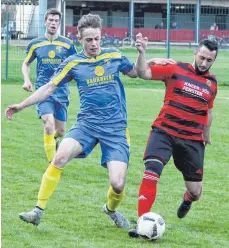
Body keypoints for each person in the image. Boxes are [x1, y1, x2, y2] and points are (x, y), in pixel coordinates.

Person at [5, 13, 139, 229]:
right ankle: (37, 211)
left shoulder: (114, 55)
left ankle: (111, 210)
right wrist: (21, 105)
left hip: (115, 129)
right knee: (59, 158)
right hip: (86, 125)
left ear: (101, 36)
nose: (94, 43)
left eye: (97, 38)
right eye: (89, 40)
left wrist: (142, 54)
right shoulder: (74, 62)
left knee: (117, 183)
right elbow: (49, 88)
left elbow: (137, 73)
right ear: (80, 39)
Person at [128, 34, 218, 238]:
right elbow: (144, 72)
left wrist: (207, 135)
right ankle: (142, 222)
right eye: (201, 57)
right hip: (165, 131)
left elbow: (209, 111)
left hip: (192, 140)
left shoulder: (212, 84)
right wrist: (142, 53)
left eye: (209, 60)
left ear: (213, 60)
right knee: (152, 170)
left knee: (196, 192)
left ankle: (187, 198)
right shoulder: (174, 68)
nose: (204, 63)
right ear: (195, 53)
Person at [22, 8, 77, 163]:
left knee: (59, 131)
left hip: (61, 92)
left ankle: (53, 140)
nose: (53, 23)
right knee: (48, 123)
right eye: (50, 20)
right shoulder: (35, 44)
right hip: (43, 91)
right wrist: (27, 80)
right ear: (45, 22)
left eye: (56, 21)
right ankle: (52, 163)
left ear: (59, 23)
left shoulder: (67, 44)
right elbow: (25, 64)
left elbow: (76, 64)